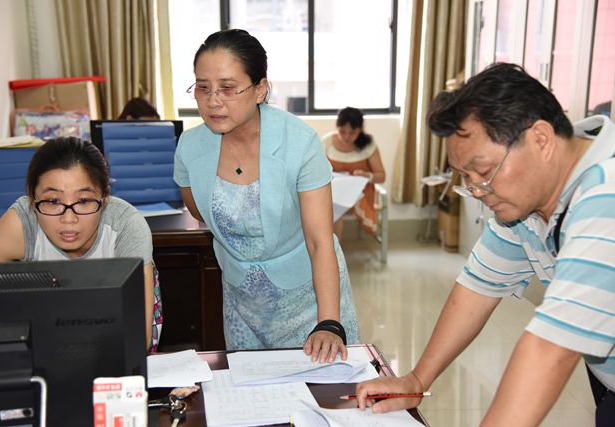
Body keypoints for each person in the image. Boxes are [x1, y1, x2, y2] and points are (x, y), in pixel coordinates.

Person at [355, 63, 615, 426]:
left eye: (484, 171)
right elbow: (476, 289)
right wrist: (416, 380)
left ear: (541, 140)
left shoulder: (606, 197)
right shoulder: (525, 206)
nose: (477, 191)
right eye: (466, 177)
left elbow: (550, 350)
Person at [173, 29, 359, 362]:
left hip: (309, 300)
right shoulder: (190, 147)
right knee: (250, 388)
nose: (213, 101)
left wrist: (329, 322)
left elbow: (320, 241)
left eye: (228, 88)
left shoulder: (299, 143)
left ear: (260, 89)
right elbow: (199, 211)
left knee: (322, 388)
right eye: (203, 87)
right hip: (242, 303)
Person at [0, 137, 163, 351]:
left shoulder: (126, 226)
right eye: (53, 201)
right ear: (32, 198)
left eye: (83, 201)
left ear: (105, 197)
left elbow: (139, 338)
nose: (68, 219)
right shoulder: (21, 223)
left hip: (110, 349)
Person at [321, 107, 385, 240]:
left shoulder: (368, 144)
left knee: (334, 208)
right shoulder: (327, 142)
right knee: (333, 210)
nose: (346, 137)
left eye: (352, 132)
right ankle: (332, 249)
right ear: (336, 127)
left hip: (360, 192)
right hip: (334, 190)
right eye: (342, 131)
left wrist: (367, 176)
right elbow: (316, 170)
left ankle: (332, 249)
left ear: (360, 130)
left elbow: (381, 176)